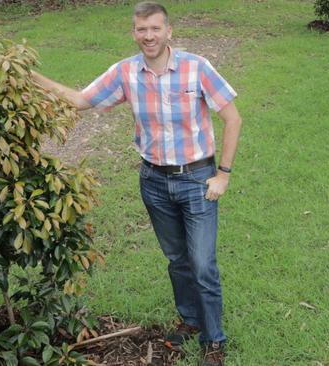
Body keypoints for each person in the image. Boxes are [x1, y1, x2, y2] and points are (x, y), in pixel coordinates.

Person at [31, 2, 241, 365]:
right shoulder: (126, 73)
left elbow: (232, 118)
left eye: (155, 29)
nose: (149, 36)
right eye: (142, 30)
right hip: (155, 182)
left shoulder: (196, 68)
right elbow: (81, 100)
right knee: (177, 259)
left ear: (169, 31)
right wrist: (32, 78)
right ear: (134, 33)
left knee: (203, 264)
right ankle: (190, 321)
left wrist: (223, 174)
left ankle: (215, 340)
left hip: (197, 179)